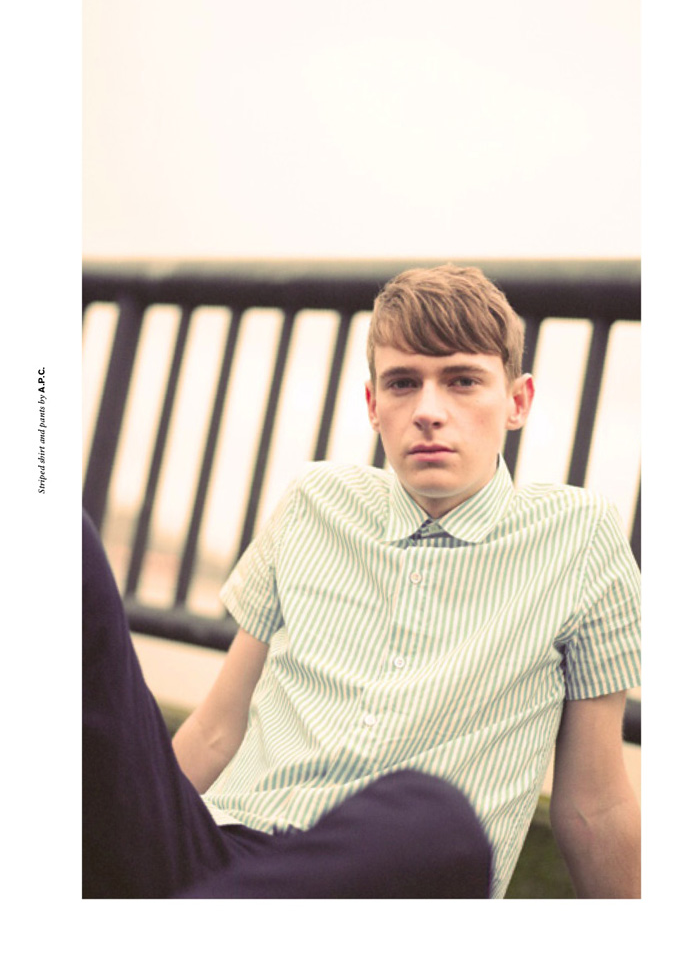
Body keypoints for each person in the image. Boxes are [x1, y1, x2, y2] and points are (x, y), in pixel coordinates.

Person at [83, 263, 641, 899]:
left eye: (462, 381)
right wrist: (142, 831)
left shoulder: (581, 538)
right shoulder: (314, 501)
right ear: (374, 405)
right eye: (403, 383)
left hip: (387, 879)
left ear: (518, 402)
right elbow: (215, 730)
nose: (428, 411)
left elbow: (595, 805)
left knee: (435, 815)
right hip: (224, 856)